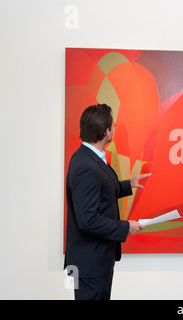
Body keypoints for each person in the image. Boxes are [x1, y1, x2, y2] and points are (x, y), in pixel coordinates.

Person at [64, 104, 150, 300]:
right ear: (106, 132)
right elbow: (87, 219)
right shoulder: (85, 165)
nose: (113, 128)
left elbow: (101, 190)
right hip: (90, 264)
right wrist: (125, 227)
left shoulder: (91, 158)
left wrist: (129, 185)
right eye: (113, 125)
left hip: (97, 260)